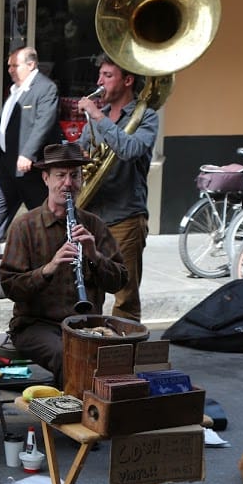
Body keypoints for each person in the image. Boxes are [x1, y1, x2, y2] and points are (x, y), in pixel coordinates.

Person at [0, 143, 127, 387]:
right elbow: (10, 287)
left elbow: (120, 280)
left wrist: (94, 255)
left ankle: (99, 416)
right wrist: (49, 268)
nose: (68, 183)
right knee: (68, 357)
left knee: (122, 353)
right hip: (36, 325)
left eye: (74, 176)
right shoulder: (24, 226)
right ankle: (67, 419)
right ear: (46, 178)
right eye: (60, 175)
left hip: (86, 323)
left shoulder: (94, 225)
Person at [76, 53, 159, 321]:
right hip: (92, 216)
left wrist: (98, 116)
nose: (100, 82)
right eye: (100, 75)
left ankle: (123, 356)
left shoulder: (146, 116)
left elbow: (130, 149)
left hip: (125, 217)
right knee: (89, 289)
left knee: (125, 297)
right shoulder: (97, 118)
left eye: (108, 76)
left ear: (127, 80)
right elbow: (83, 153)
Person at [0, 46, 60, 253]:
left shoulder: (45, 88)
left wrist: (28, 154)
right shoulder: (16, 90)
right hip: (7, 165)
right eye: (9, 66)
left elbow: (43, 123)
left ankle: (55, 250)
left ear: (31, 65)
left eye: (15, 65)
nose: (10, 70)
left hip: (29, 167)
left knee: (43, 212)